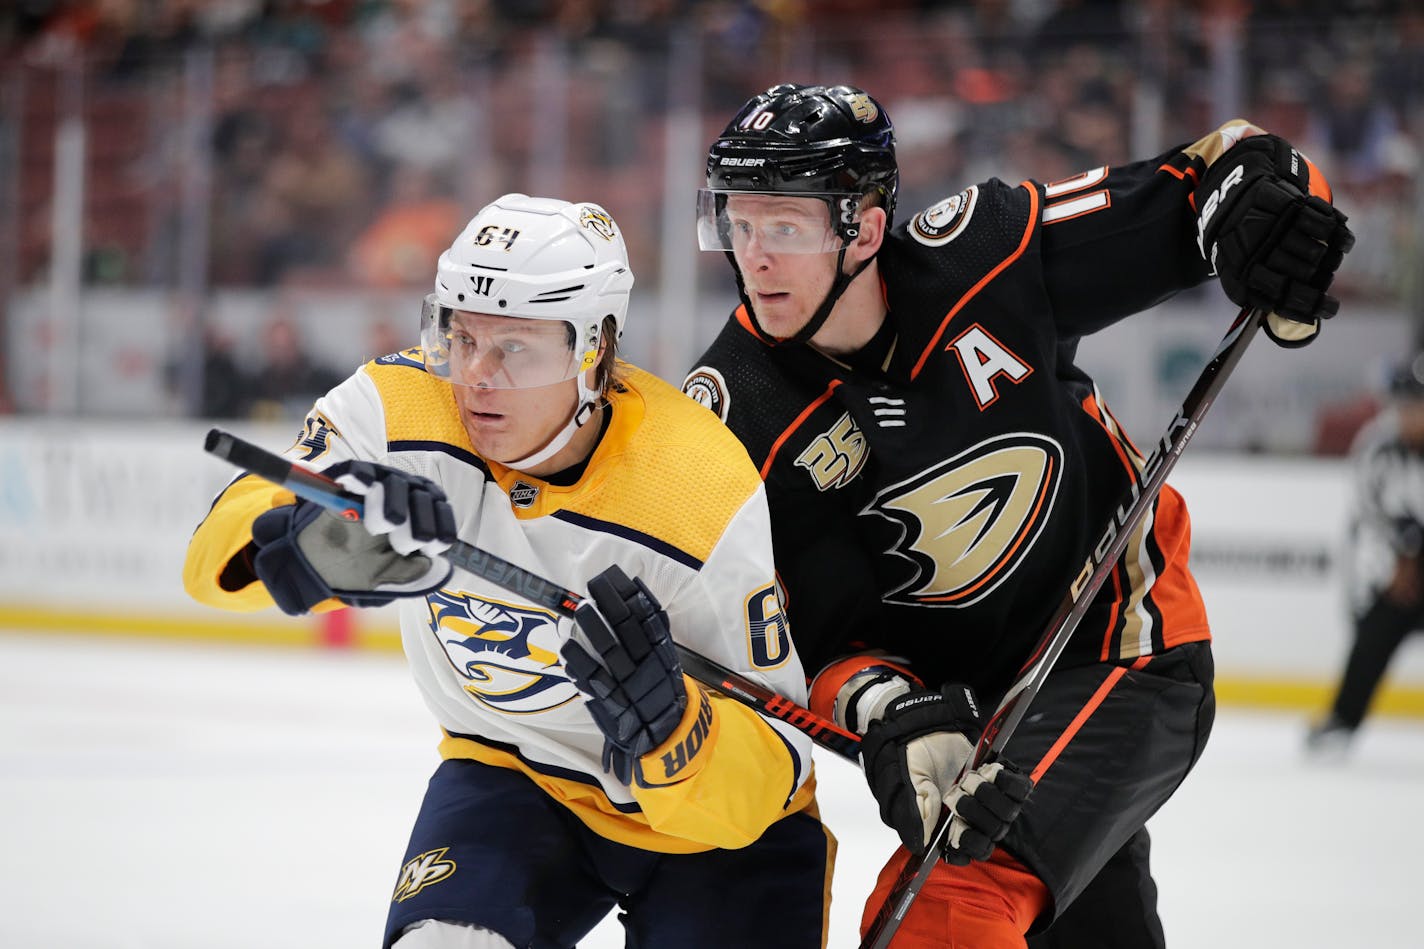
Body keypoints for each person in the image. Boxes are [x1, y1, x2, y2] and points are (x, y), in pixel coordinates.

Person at [682, 83, 1355, 947]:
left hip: (1120, 641)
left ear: (868, 229)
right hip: (973, 720)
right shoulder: (740, 413)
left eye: (785, 227)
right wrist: (886, 707)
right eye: (737, 225)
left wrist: (1269, 213)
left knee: (943, 904)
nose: (754, 258)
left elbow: (1219, 171)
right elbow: (801, 636)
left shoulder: (986, 254)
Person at [184, 193, 833, 949]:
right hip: (513, 774)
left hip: (712, 836)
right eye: (461, 337)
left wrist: (676, 730)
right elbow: (211, 563)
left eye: (516, 347)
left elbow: (775, 761)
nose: (476, 378)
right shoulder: (400, 412)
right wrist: (308, 543)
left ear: (596, 348)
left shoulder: (696, 484)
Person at [1308, 352, 1424, 755]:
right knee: (1373, 636)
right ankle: (1343, 719)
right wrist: (1401, 557)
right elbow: (1367, 510)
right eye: (1407, 407)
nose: (1412, 417)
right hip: (1396, 568)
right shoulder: (1378, 446)